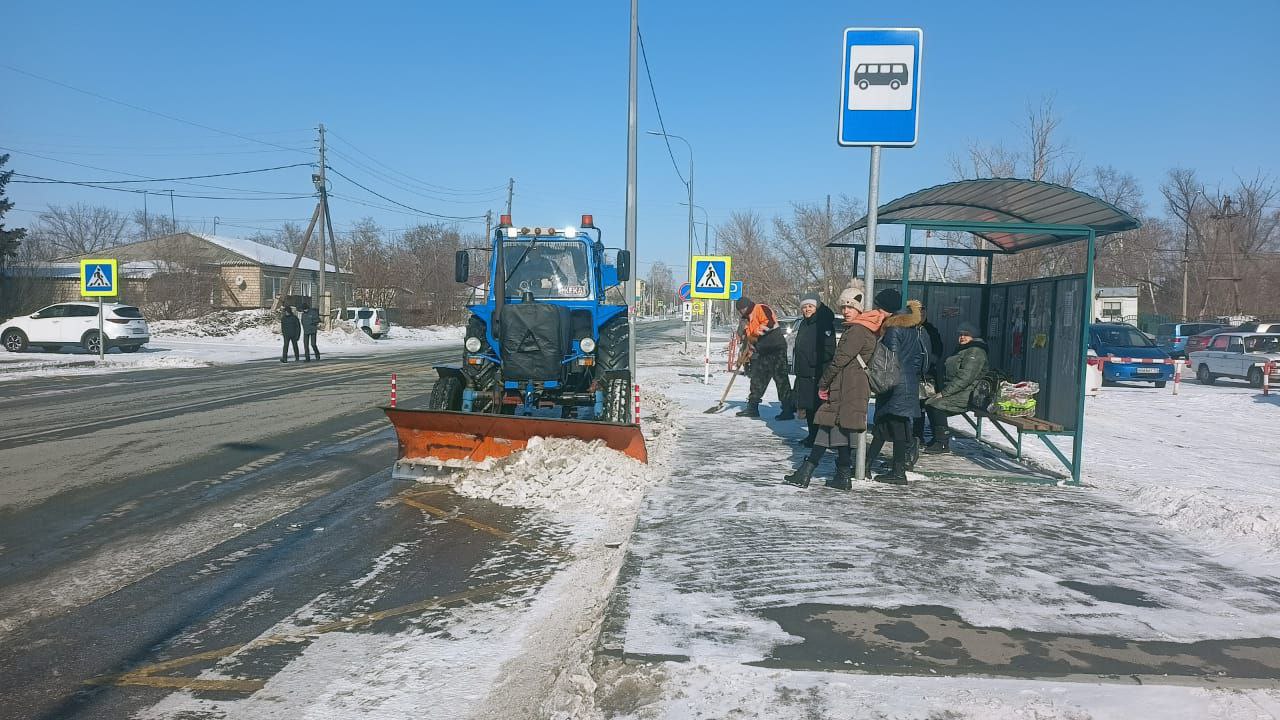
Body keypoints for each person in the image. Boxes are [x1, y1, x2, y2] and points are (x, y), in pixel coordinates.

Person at [782, 281, 879, 490]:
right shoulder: (857, 329)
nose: (845, 311)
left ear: (859, 309)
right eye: (843, 307)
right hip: (847, 384)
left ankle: (810, 472)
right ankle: (836, 474)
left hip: (848, 385)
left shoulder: (857, 331)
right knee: (834, 427)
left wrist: (824, 382)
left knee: (831, 425)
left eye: (850, 307)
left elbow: (840, 359)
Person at [863, 289, 930, 485]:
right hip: (908, 383)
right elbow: (920, 360)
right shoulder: (914, 330)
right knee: (888, 427)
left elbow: (888, 361)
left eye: (878, 306)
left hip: (895, 385)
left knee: (893, 427)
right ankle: (870, 465)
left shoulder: (893, 329)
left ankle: (896, 472)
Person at [924, 321, 989, 454]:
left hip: (969, 393)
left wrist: (944, 393)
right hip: (958, 390)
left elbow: (965, 377)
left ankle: (942, 443)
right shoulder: (963, 349)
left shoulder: (975, 351)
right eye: (960, 334)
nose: (962, 337)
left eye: (966, 335)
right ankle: (938, 438)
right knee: (929, 403)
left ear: (974, 336)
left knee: (936, 405)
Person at [790, 295, 837, 447]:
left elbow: (829, 350)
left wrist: (811, 359)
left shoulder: (824, 323)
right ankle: (812, 436)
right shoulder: (805, 323)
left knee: (818, 408)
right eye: (804, 307)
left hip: (817, 372)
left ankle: (820, 438)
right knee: (809, 408)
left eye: (810, 306)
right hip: (804, 373)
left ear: (816, 306)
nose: (807, 309)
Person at [735, 297, 793, 419]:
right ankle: (752, 408)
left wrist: (755, 335)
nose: (741, 312)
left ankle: (787, 410)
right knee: (758, 378)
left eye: (741, 310)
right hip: (763, 351)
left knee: (780, 378)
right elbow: (751, 340)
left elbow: (769, 323)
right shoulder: (747, 320)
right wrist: (749, 350)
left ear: (744, 308)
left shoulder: (760, 308)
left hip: (776, 348)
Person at [913, 305, 945, 448]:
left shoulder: (930, 330)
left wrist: (928, 362)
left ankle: (928, 436)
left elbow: (938, 350)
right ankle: (917, 435)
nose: (922, 315)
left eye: (924, 313)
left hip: (928, 376)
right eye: (919, 313)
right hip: (916, 374)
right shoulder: (911, 329)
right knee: (917, 408)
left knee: (927, 406)